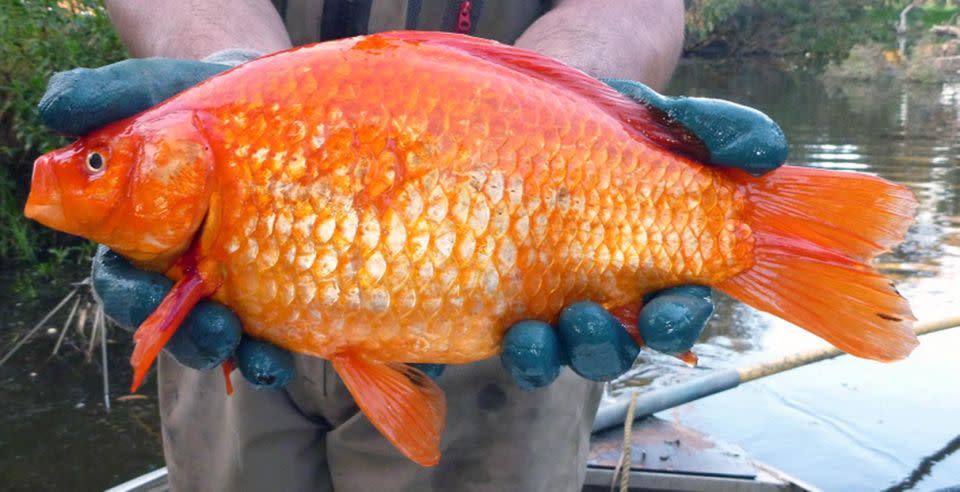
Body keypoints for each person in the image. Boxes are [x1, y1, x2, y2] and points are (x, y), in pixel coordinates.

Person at [38, 1, 786, 490]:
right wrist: (227, 67)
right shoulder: (209, 147)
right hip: (235, 343)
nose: (74, 176)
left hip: (512, 314)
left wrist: (572, 98)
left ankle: (759, 235)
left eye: (101, 165)